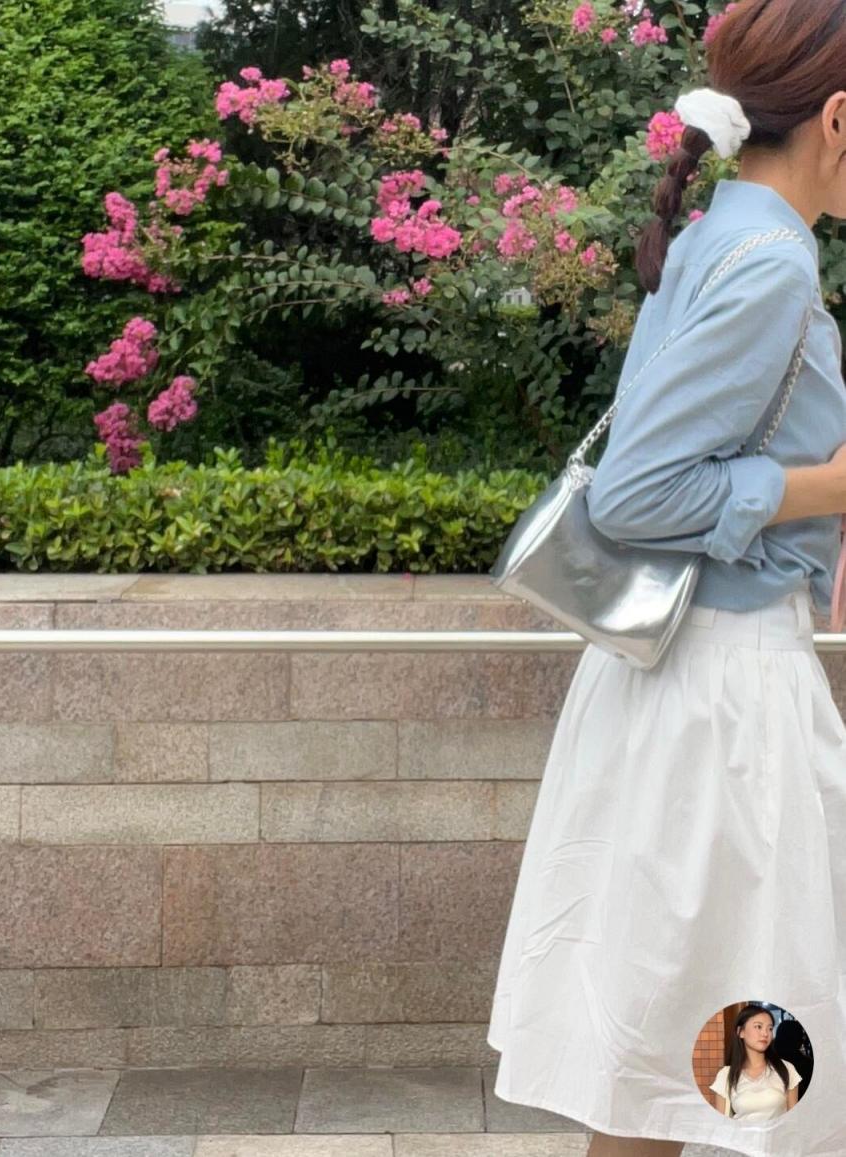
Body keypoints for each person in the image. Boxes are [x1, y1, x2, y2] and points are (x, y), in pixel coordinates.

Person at [487, 2, 846, 1155]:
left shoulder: (717, 235)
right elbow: (639, 490)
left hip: (682, 693)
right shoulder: (769, 263)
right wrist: (829, 484)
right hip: (720, 712)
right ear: (837, 119)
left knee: (674, 1066)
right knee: (730, 1066)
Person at [709, 1005, 801, 1120]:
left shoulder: (786, 1069)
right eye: (758, 1027)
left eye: (770, 1028)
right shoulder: (726, 1075)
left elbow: (793, 1120)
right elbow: (722, 1124)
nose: (765, 1033)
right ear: (741, 1032)